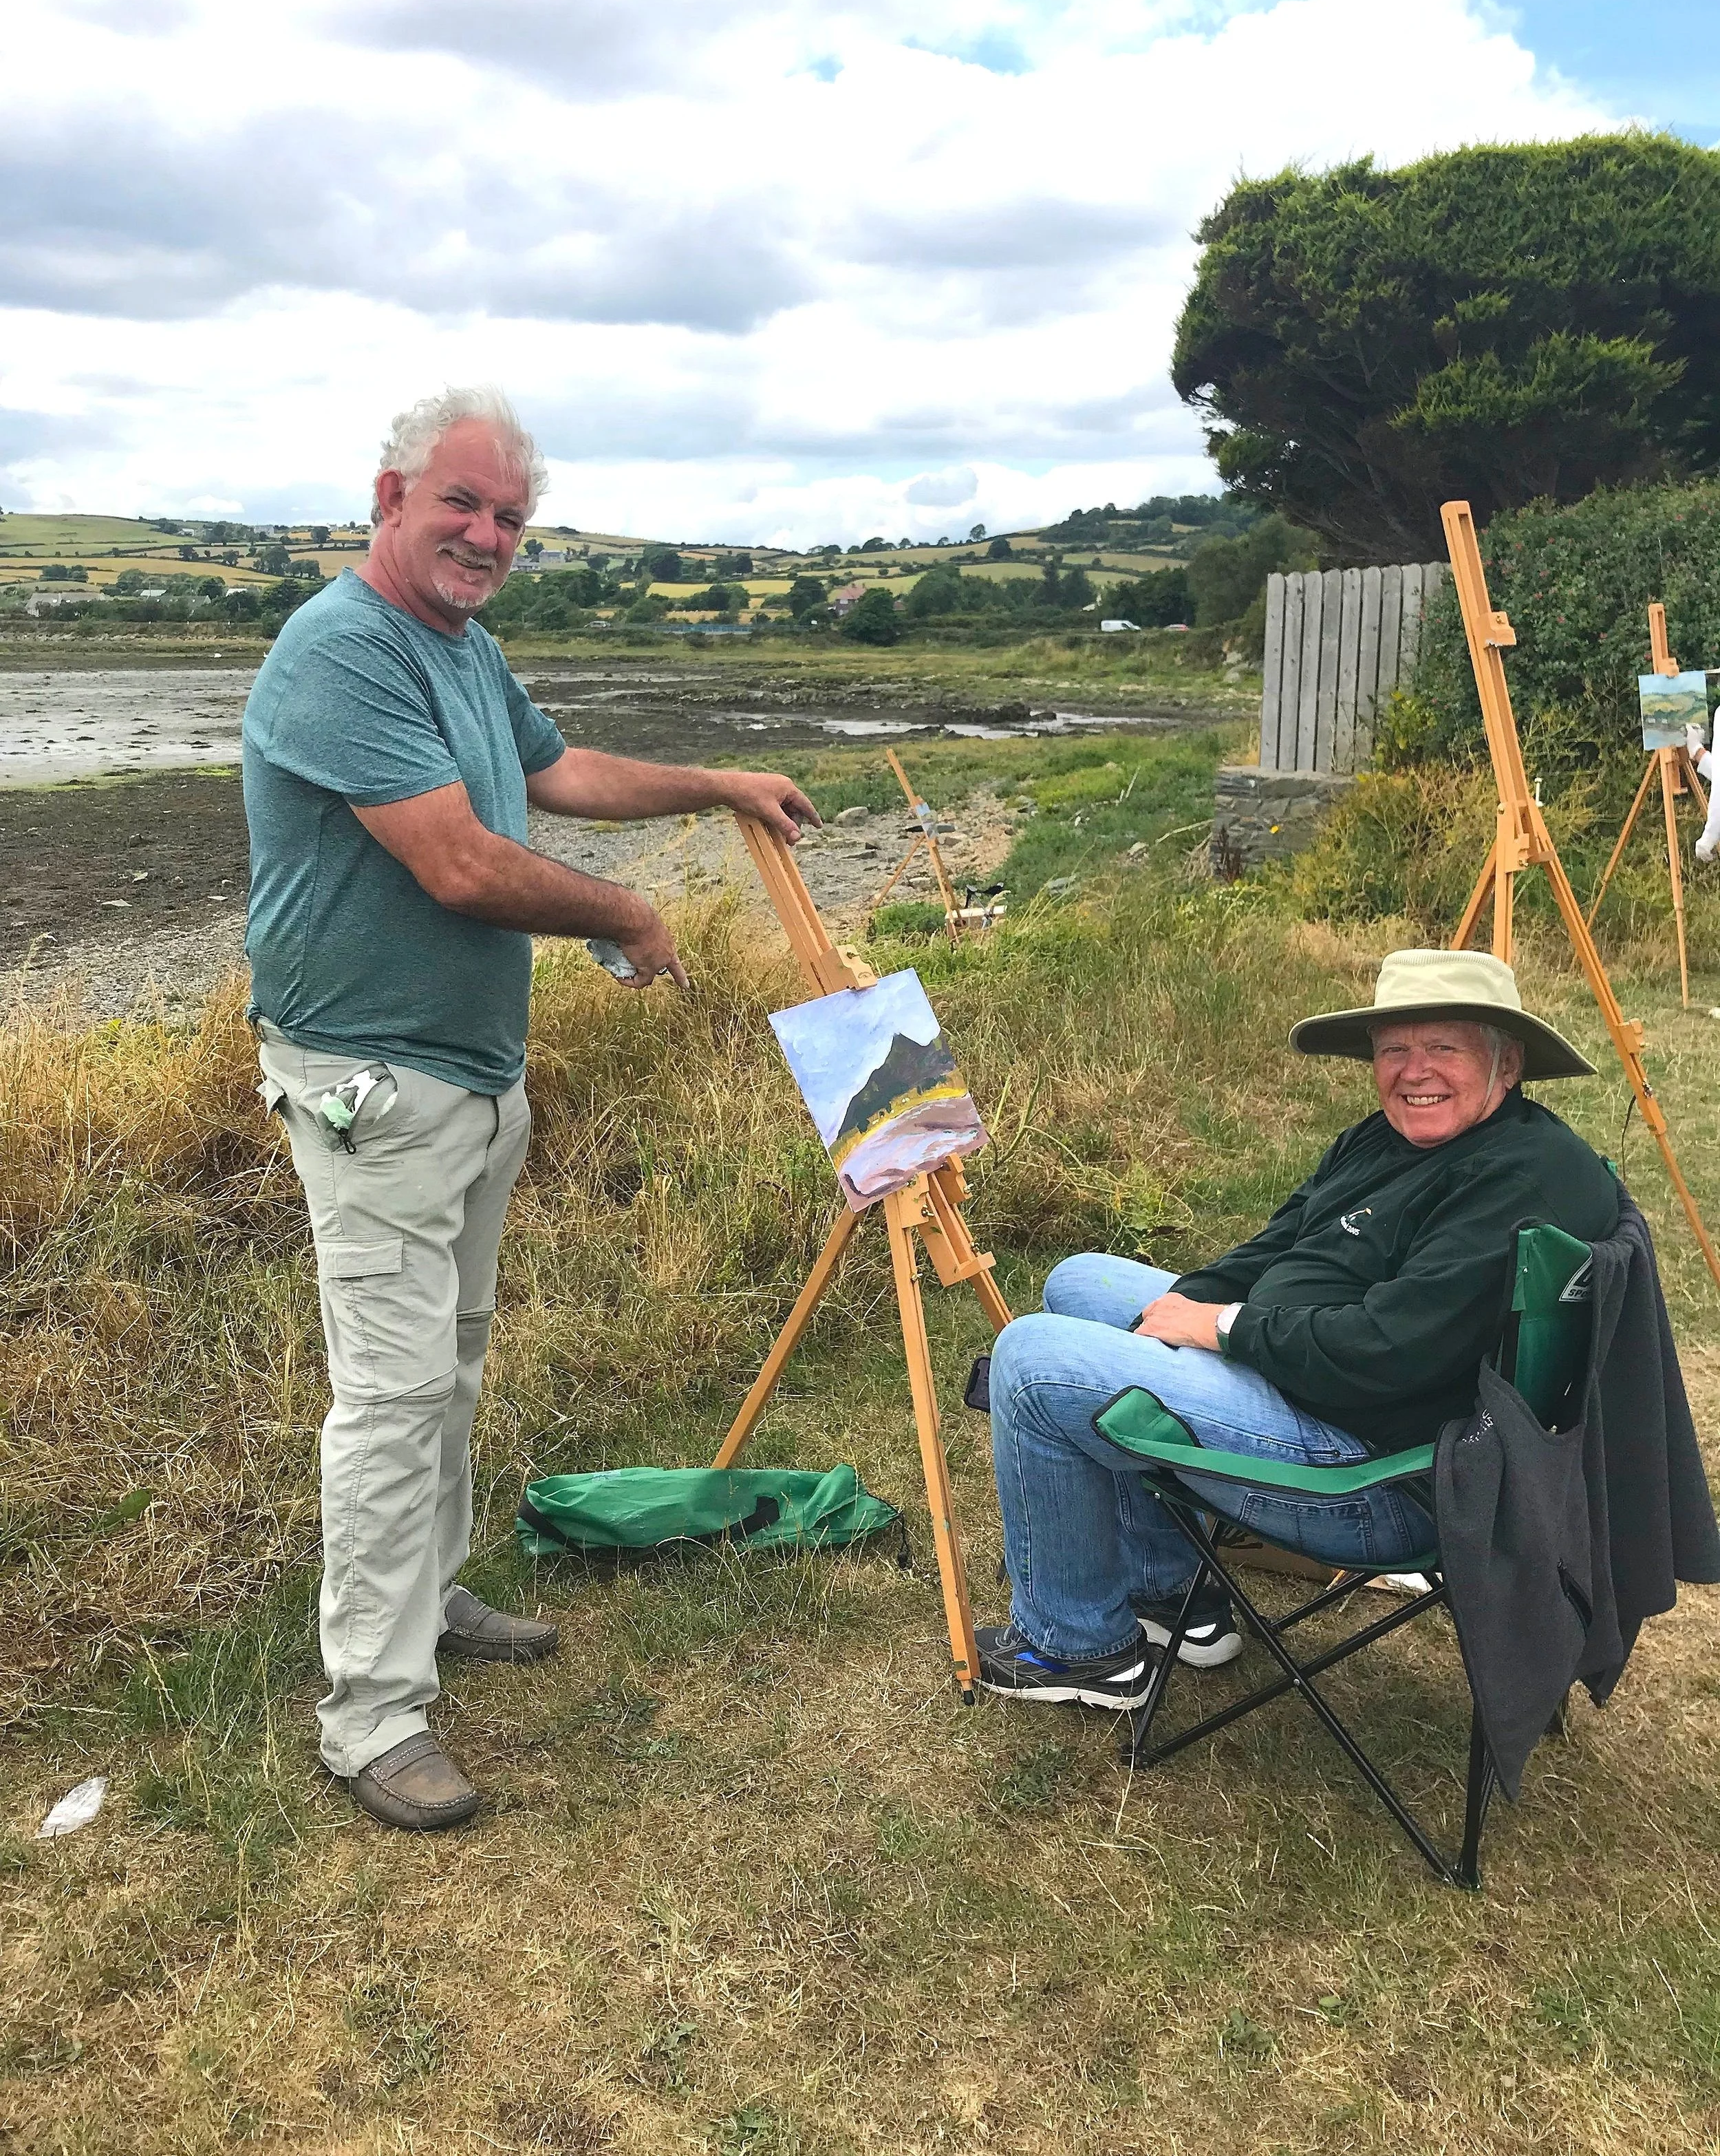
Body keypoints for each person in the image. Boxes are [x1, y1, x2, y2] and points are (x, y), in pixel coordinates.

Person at [243, 384, 818, 1829]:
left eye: (510, 516)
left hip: (471, 1078)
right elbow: (456, 862)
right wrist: (626, 914)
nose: (488, 535)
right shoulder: (342, 649)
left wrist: (715, 784)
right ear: (390, 499)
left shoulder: (464, 648)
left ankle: (428, 1596)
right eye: (463, 503)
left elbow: (556, 773)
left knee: (451, 1363)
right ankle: (371, 1718)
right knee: (391, 1398)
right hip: (372, 1086)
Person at [976, 948, 1621, 1711]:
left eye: (1443, 1046)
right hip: (1307, 1379)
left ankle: (1077, 1649)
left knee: (1031, 1359)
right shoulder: (1383, 1140)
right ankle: (1169, 1596)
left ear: (1506, 1063)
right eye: (1394, 1049)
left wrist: (1223, 1327)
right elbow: (1277, 1247)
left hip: (1370, 1469)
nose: (1414, 1071)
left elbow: (1387, 1350)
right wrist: (1176, 1314)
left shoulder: (1522, 1175)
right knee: (1079, 1281)